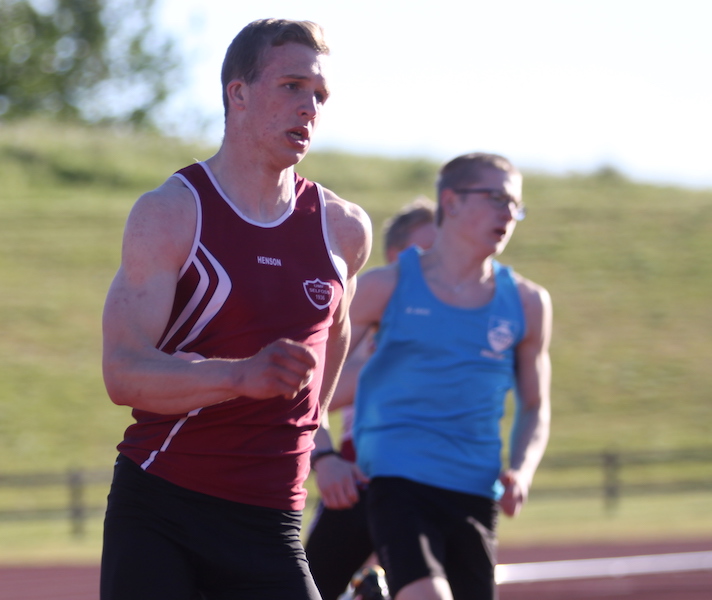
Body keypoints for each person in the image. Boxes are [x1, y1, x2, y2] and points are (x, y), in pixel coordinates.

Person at [98, 19, 371, 600]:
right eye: (292, 86)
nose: (309, 108)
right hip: (162, 510)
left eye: (319, 95)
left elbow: (335, 337)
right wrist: (240, 376)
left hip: (271, 521)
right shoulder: (172, 213)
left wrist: (312, 433)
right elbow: (123, 373)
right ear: (238, 93)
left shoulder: (344, 229)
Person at [348, 153, 552, 600]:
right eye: (496, 198)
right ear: (452, 201)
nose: (508, 213)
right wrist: (323, 454)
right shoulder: (384, 287)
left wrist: (522, 470)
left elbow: (535, 405)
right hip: (398, 481)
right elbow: (316, 378)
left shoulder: (527, 302)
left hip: (475, 491)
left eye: (515, 204)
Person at [305, 197, 437, 600]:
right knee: (310, 587)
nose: (440, 261)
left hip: (434, 482)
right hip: (361, 479)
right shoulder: (363, 318)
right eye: (427, 250)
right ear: (395, 255)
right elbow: (311, 395)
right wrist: (325, 459)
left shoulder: (463, 314)